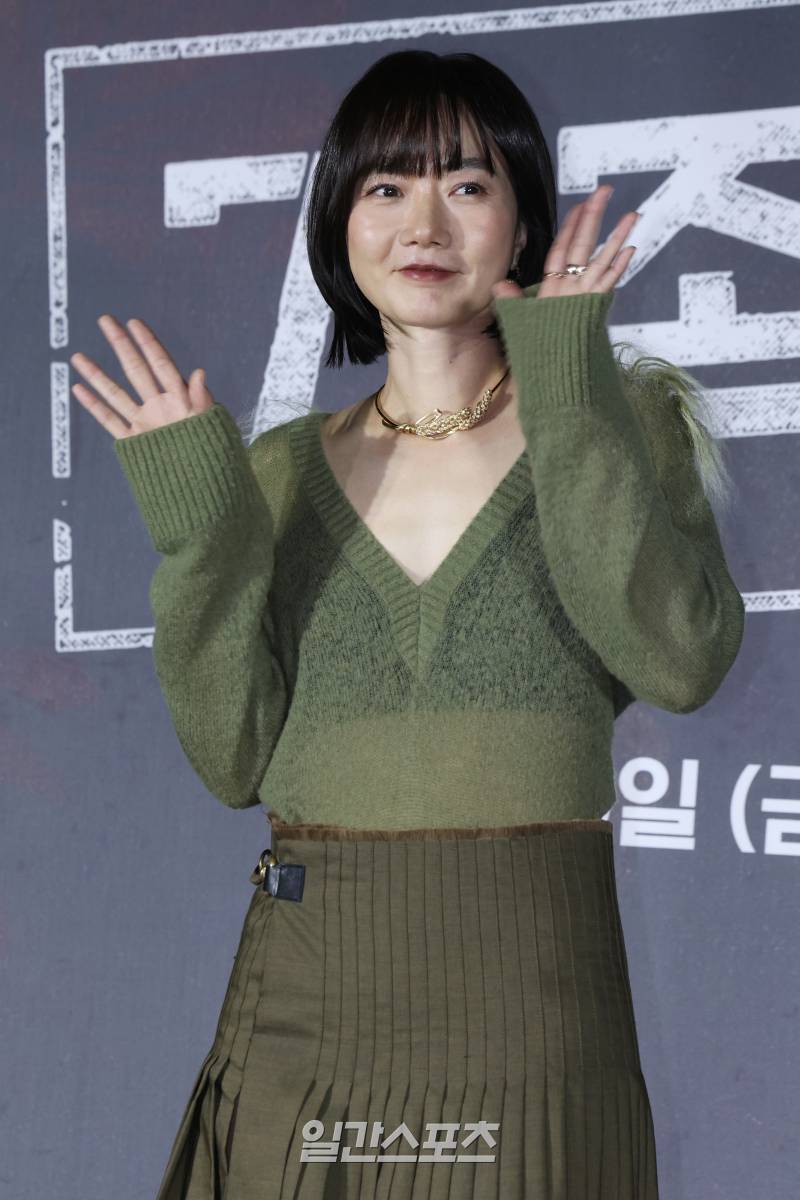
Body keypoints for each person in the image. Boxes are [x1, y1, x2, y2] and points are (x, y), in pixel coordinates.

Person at [70, 49, 744, 1200]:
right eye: (385, 187)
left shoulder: (613, 420)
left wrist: (568, 392)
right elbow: (232, 760)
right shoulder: (280, 471)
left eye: (467, 185)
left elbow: (678, 661)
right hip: (312, 995)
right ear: (339, 222)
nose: (422, 224)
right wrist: (202, 534)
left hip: (532, 997)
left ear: (520, 220)